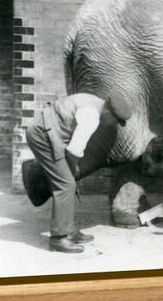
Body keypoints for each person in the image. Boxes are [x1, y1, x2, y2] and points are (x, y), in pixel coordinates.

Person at [25, 92, 132, 253]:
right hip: (42, 135)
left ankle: (68, 229)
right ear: (108, 113)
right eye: (115, 121)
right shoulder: (92, 116)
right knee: (66, 184)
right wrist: (73, 170)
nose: (114, 125)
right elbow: (74, 151)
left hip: (49, 132)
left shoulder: (98, 102)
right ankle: (59, 238)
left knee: (67, 181)